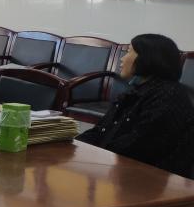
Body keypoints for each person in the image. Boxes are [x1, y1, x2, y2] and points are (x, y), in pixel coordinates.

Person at [77, 34, 194, 176]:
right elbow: (101, 131)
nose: (122, 58)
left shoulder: (168, 95)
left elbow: (137, 147)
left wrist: (92, 155)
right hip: (120, 169)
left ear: (147, 58)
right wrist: (74, 145)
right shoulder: (136, 92)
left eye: (128, 51)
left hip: (149, 179)